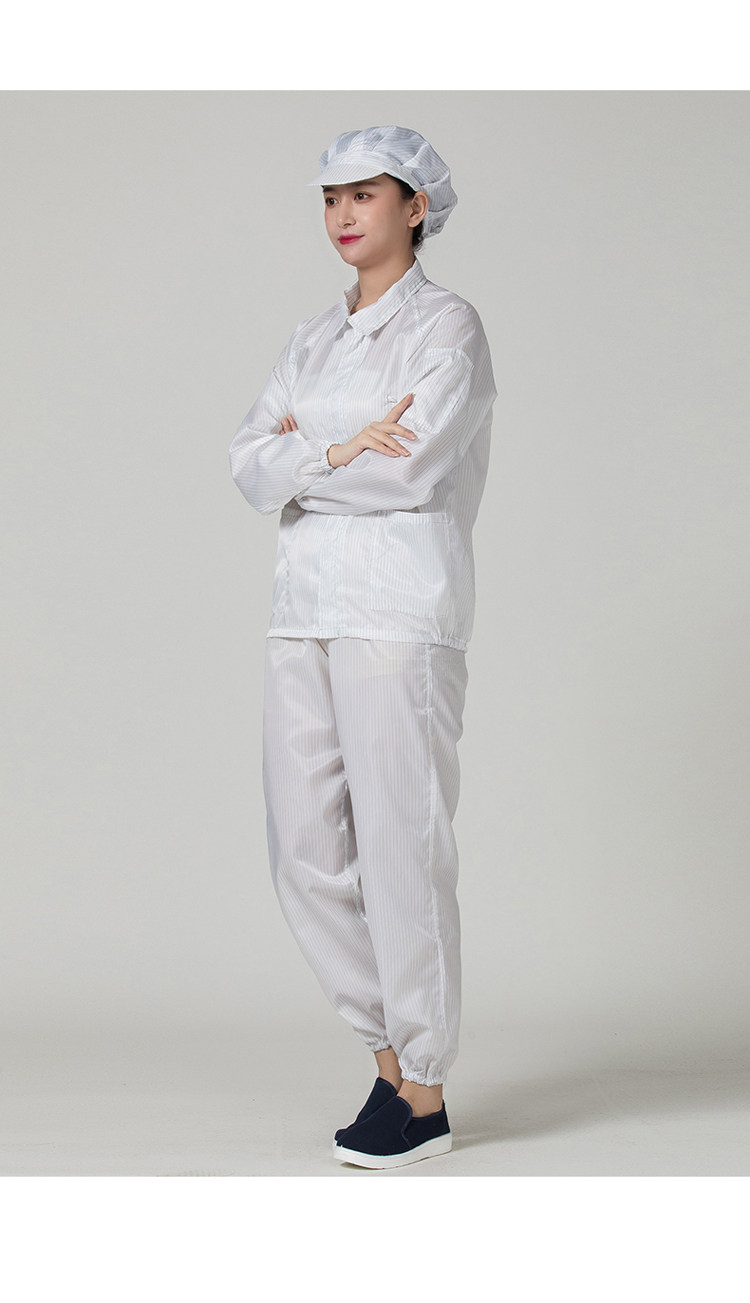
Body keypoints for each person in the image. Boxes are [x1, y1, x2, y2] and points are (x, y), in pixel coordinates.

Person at [228, 125, 497, 1169]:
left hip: (397, 612)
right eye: (330, 198)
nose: (343, 214)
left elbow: (411, 472)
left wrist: (304, 458)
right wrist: (341, 446)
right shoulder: (312, 339)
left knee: (399, 844)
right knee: (303, 850)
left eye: (365, 195)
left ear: (415, 206)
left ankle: (422, 1091)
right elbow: (246, 465)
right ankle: (390, 1056)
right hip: (302, 608)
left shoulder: (448, 329)